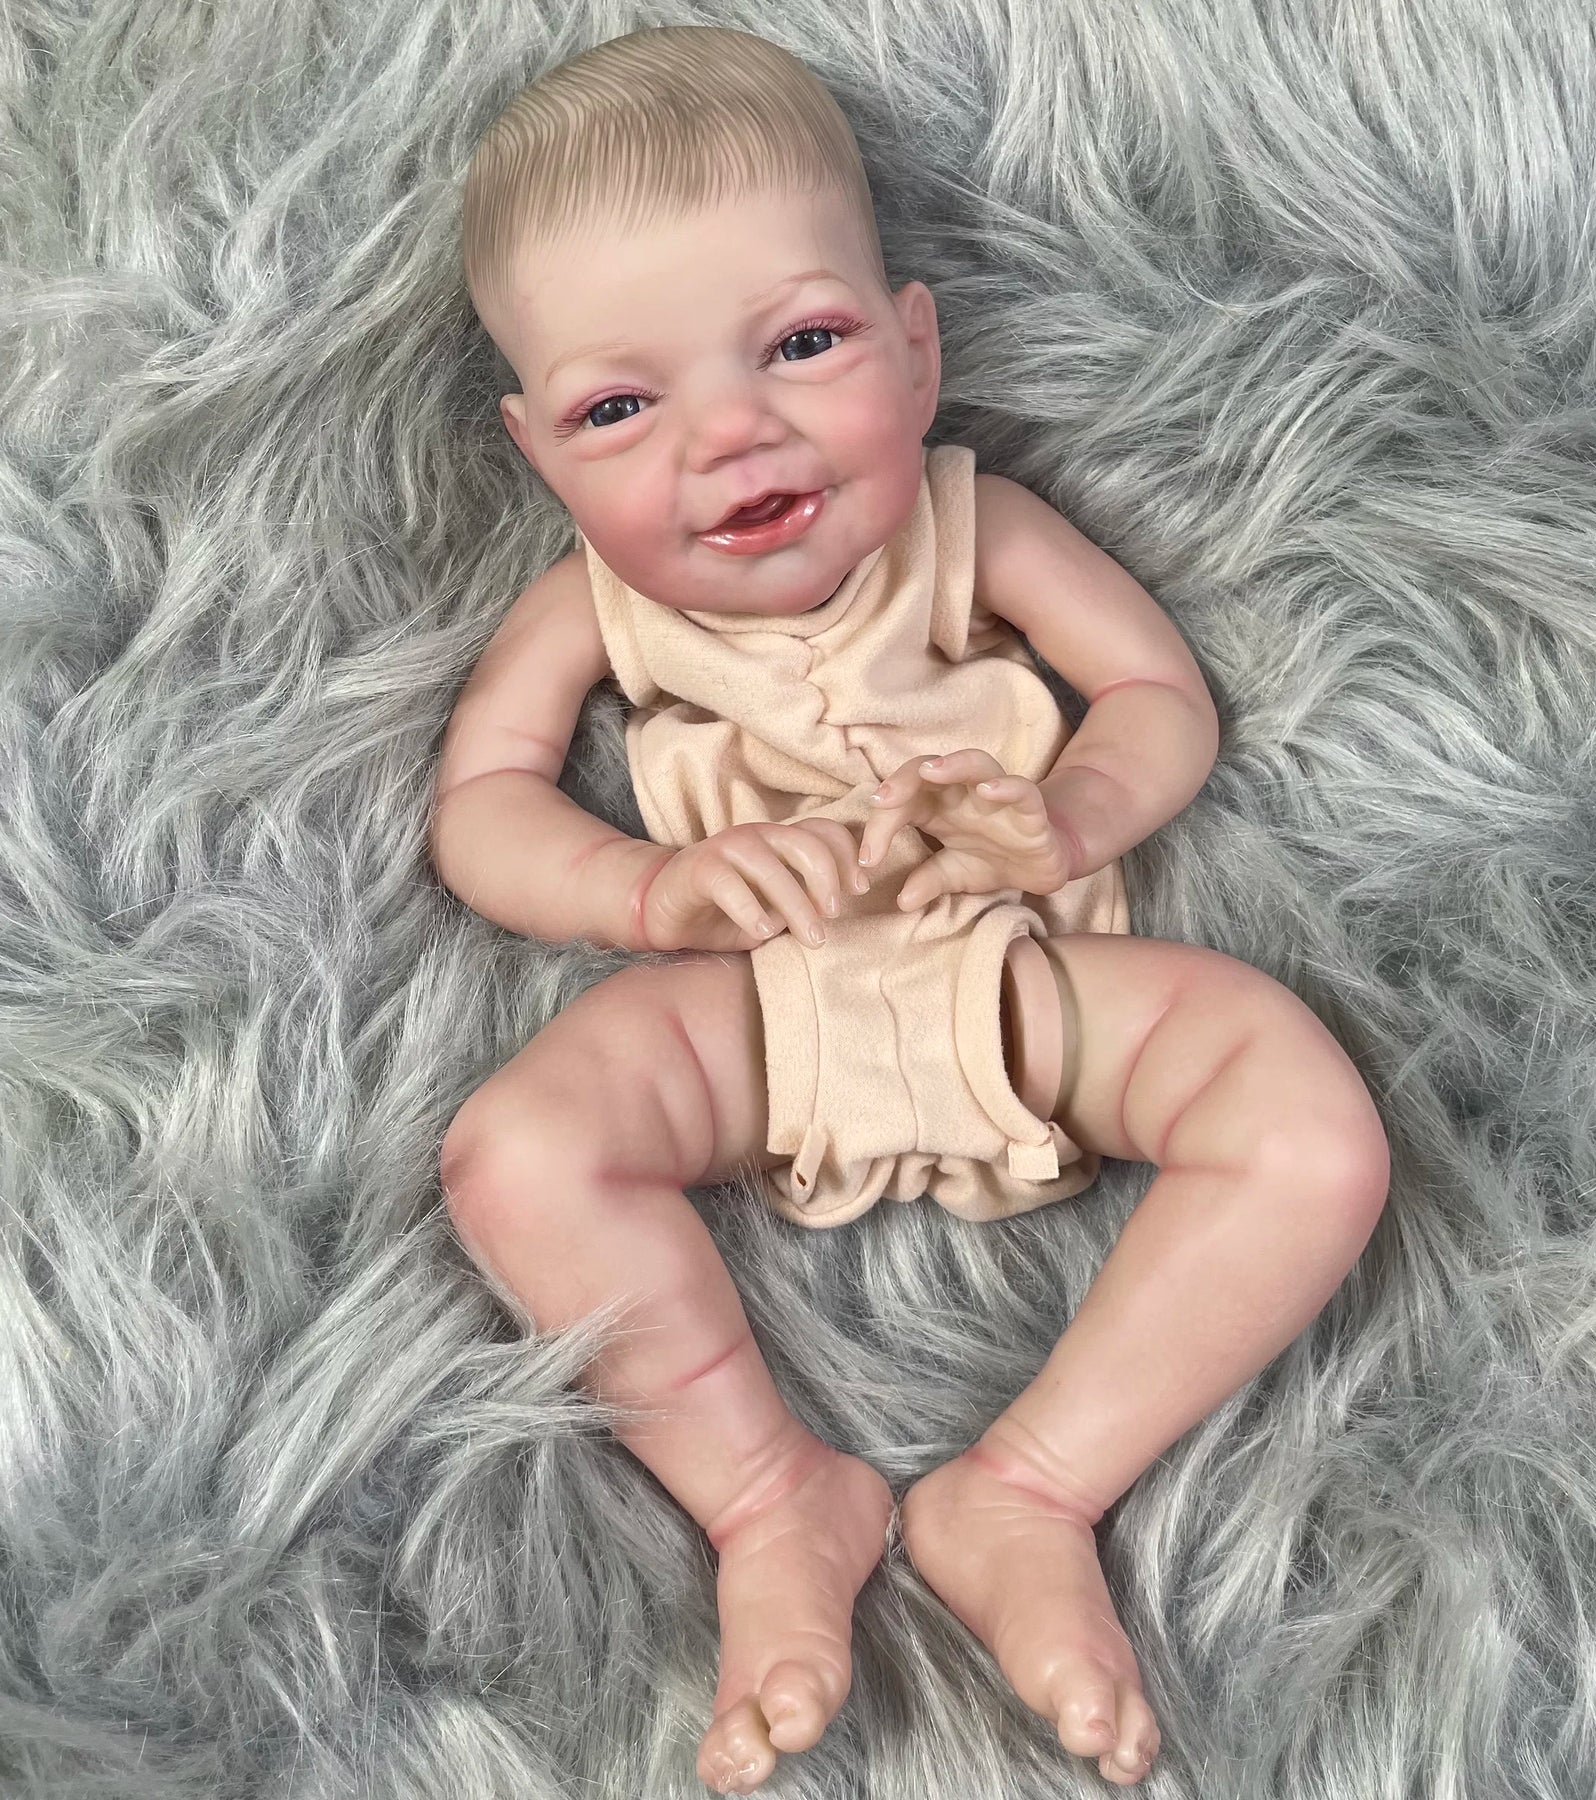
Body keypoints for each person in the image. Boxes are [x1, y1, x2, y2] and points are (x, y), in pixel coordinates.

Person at [434, 24, 1390, 1794]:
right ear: (538, 453)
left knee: (1309, 1126)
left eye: (801, 345)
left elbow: (1157, 697)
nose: (733, 435)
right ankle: (765, 1497)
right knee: (518, 1151)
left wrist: (1068, 815)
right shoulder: (592, 613)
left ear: (917, 344)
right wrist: (652, 889)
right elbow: (482, 809)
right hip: (754, 1006)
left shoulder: (977, 527)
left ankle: (1027, 1492)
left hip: (1018, 981)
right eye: (619, 410)